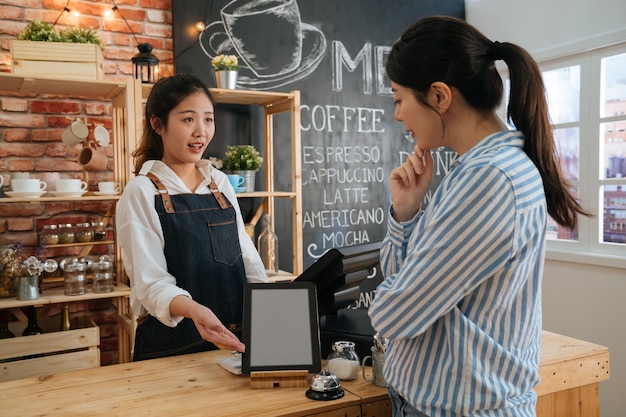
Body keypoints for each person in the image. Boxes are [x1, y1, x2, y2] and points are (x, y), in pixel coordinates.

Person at [368, 16, 591, 417]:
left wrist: (390, 301)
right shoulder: (473, 171)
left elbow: (393, 314)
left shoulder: (490, 180)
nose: (398, 115)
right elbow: (405, 292)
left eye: (398, 99)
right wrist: (405, 214)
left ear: (439, 96)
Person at [116, 73, 267, 361]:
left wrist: (271, 306)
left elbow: (248, 260)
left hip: (233, 342)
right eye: (188, 120)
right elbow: (150, 284)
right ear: (157, 124)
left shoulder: (219, 183)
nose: (201, 132)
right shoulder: (142, 191)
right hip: (171, 348)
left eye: (208, 119)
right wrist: (195, 310)